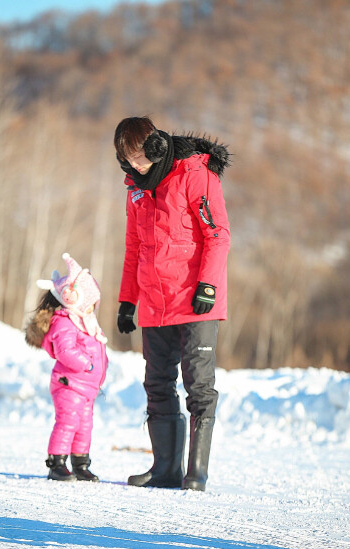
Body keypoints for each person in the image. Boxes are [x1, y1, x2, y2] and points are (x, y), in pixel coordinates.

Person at [114, 116, 231, 492]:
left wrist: (208, 285)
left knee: (199, 385)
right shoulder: (135, 188)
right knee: (158, 384)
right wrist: (127, 301)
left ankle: (195, 472)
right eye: (127, 160)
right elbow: (134, 248)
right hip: (153, 299)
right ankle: (165, 468)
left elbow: (217, 235)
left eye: (139, 157)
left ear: (155, 146)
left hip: (196, 299)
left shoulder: (196, 174)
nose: (135, 165)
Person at [25, 253, 108, 482]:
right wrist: (88, 364)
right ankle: (57, 463)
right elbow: (65, 351)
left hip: (86, 387)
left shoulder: (85, 321)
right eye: (90, 304)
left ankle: (80, 463)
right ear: (75, 299)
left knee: (84, 426)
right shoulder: (65, 321)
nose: (93, 309)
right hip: (68, 384)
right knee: (68, 421)